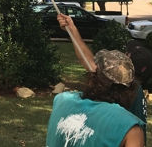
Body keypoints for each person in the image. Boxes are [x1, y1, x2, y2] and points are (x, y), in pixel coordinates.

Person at [46, 14, 146, 146]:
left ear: (94, 77)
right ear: (130, 89)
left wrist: (73, 30)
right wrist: (73, 30)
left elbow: (92, 66)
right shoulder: (130, 128)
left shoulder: (62, 100)